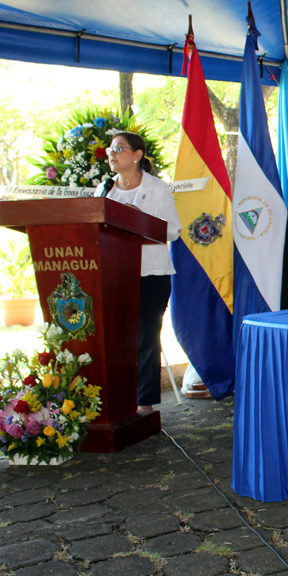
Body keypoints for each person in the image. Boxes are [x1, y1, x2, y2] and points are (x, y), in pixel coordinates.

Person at [96, 132, 181, 415]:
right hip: (114, 275)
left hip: (152, 274)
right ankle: (118, 399)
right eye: (110, 149)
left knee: (145, 338)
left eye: (119, 148)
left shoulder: (157, 188)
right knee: (118, 338)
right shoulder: (105, 190)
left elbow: (173, 230)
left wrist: (137, 220)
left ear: (137, 155)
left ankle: (143, 404)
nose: (112, 153)